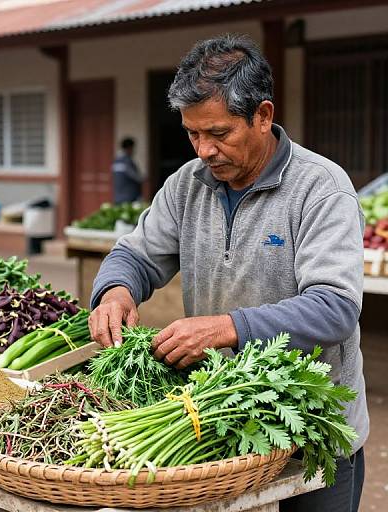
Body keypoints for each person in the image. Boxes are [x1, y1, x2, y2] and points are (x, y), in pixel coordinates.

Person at [89, 35, 367, 512]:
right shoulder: (187, 185)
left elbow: (335, 307)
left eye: (218, 133)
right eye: (193, 134)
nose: (204, 150)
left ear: (262, 115)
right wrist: (115, 292)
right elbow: (135, 255)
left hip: (316, 428)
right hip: (225, 418)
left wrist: (226, 328)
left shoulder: (321, 189)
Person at [112, 137, 143, 204]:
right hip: (129, 198)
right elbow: (137, 178)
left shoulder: (116, 161)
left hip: (118, 197)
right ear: (129, 148)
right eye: (133, 148)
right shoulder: (127, 162)